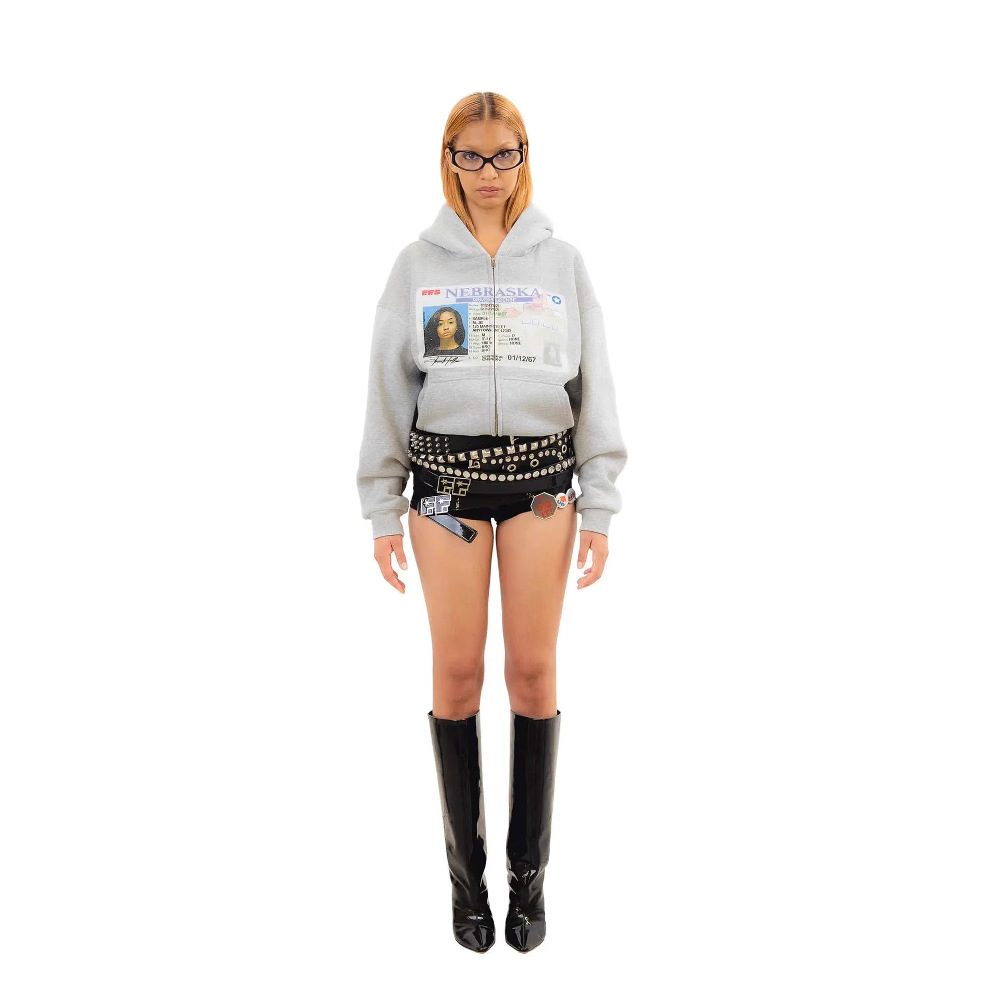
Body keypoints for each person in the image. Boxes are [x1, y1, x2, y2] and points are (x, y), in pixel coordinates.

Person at [355, 91, 627, 953]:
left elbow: (595, 385)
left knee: (535, 673)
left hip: (543, 486)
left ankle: (527, 881)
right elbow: (388, 388)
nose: (487, 173)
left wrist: (601, 499)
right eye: (469, 156)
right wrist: (381, 505)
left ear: (523, 156)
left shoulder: (563, 263)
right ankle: (465, 884)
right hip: (445, 489)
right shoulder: (415, 265)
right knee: (458, 670)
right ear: (449, 159)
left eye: (502, 154)